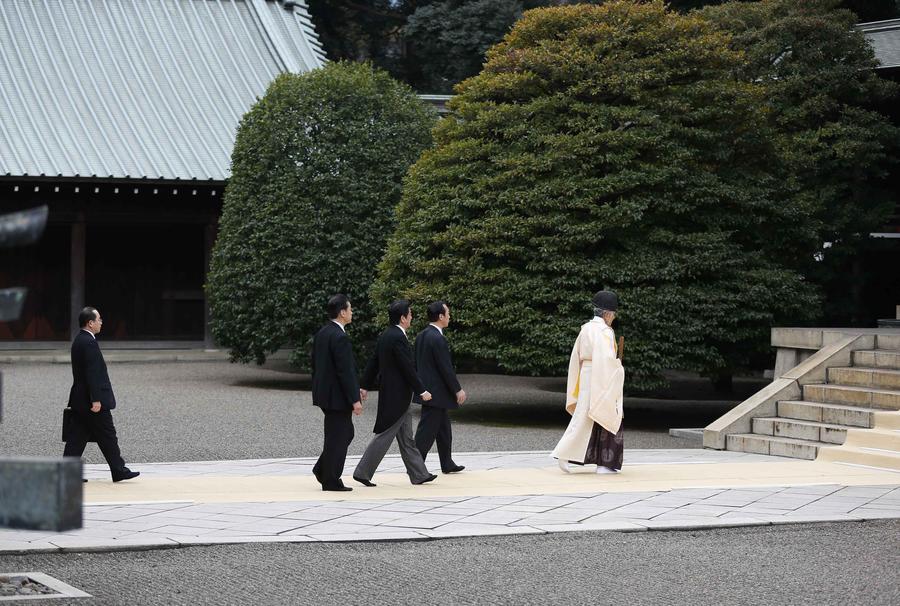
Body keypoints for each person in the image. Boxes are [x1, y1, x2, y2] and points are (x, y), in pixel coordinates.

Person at [353, 300, 438, 487]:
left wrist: (364, 385)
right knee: (385, 434)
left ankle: (419, 474)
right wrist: (422, 390)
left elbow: (374, 362)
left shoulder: (386, 335)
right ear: (403, 318)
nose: (412, 317)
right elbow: (407, 368)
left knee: (407, 438)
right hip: (397, 396)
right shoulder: (398, 337)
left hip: (394, 394)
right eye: (410, 314)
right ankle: (362, 472)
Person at [552, 290, 625, 474]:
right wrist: (618, 368)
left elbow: (576, 356)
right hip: (600, 376)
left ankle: (569, 454)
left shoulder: (586, 328)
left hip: (587, 373)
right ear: (607, 314)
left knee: (584, 416)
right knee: (607, 414)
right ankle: (603, 464)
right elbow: (605, 358)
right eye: (613, 314)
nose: (613, 318)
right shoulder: (604, 331)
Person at [63, 307, 140, 482]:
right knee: (107, 435)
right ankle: (118, 470)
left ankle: (68, 473)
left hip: (80, 399)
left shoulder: (79, 340)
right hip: (91, 401)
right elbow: (92, 374)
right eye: (99, 320)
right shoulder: (89, 342)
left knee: (77, 437)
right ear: (90, 323)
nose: (101, 322)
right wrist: (96, 399)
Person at [311, 294, 363, 492]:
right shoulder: (340, 337)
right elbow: (345, 371)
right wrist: (354, 399)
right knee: (339, 436)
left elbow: (315, 364)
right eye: (350, 309)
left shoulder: (323, 332)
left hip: (326, 393)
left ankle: (322, 469)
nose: (351, 312)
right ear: (342, 312)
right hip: (337, 396)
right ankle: (330, 479)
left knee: (343, 433)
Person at [413, 301, 466, 474]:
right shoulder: (438, 338)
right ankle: (416, 467)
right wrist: (457, 389)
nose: (449, 316)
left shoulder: (422, 335)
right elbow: (445, 368)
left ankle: (447, 462)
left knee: (444, 429)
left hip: (429, 390)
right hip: (436, 392)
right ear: (441, 316)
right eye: (447, 313)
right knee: (426, 432)